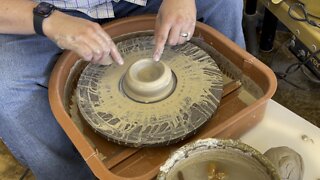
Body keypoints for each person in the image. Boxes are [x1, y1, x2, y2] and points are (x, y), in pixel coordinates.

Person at [0, 0, 245, 179]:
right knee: (5, 82)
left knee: (224, 2)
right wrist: (48, 19)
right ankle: (75, 173)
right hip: (44, 12)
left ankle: (238, 125)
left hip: (138, 2)